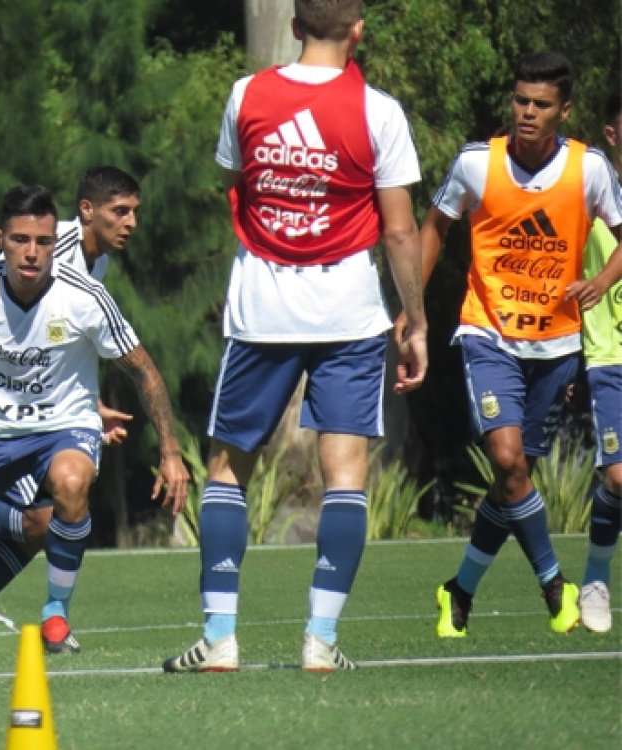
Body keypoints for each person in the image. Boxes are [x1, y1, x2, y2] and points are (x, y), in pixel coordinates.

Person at [163, 0, 427, 674]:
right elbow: (400, 231)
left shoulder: (246, 95)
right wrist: (416, 320)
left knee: (228, 468)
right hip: (349, 312)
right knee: (346, 473)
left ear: (296, 26)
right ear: (358, 30)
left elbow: (236, 182)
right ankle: (321, 641)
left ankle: (220, 638)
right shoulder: (380, 112)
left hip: (264, 308)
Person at [0, 185, 188, 658]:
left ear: (54, 242)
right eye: (20, 240)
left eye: (43, 242)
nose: (31, 252)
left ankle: (55, 616)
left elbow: (144, 370)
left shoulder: (85, 295)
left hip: (62, 428)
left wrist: (171, 452)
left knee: (70, 483)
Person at [419, 53, 622, 638]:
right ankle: (556, 586)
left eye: (541, 104)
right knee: (507, 460)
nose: (528, 112)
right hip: (488, 334)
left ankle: (459, 590)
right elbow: (435, 227)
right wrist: (411, 309)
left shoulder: (589, 169)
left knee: (513, 481)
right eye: (521, 101)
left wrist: (600, 282)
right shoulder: (476, 163)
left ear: (565, 110)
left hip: (556, 348)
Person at [579, 90, 622, 633]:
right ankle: (595, 575)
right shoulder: (589, 198)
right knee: (617, 475)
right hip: (608, 354)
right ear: (611, 134)